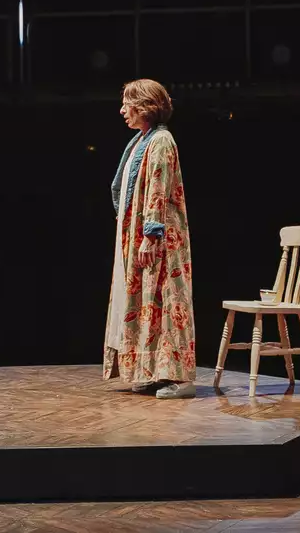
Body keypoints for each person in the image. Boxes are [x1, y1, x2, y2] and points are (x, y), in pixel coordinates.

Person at [103, 79, 197, 399]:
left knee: (168, 302)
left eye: (127, 104)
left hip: (159, 238)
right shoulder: (142, 140)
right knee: (147, 303)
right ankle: (152, 371)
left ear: (144, 106)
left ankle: (180, 379)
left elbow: (159, 186)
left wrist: (151, 233)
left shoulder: (161, 140)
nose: (122, 110)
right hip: (139, 234)